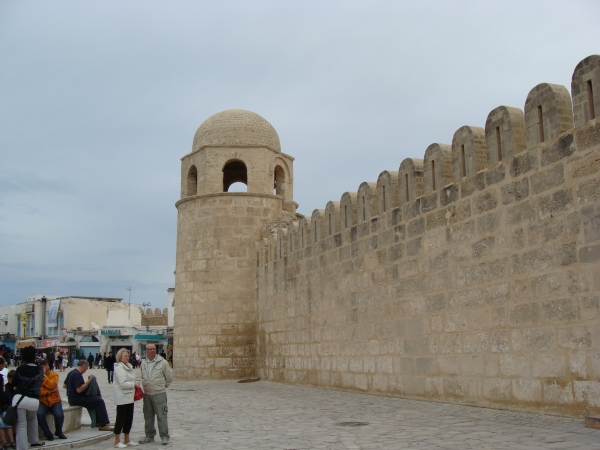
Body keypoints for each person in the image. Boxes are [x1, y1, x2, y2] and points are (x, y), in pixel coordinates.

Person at [64, 360, 113, 431]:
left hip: (71, 398)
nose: (85, 370)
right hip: (77, 399)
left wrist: (72, 388)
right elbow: (79, 389)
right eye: (86, 368)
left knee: (94, 400)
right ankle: (103, 424)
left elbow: (64, 385)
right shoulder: (77, 374)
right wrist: (89, 381)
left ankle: (98, 421)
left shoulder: (71, 373)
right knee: (100, 402)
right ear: (84, 366)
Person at [13, 345, 45, 449]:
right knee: (32, 419)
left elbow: (14, 382)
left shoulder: (19, 369)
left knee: (22, 423)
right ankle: (35, 440)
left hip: (20, 398)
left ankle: (22, 446)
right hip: (34, 400)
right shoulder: (40, 370)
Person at [140, 344, 172, 445]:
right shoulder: (143, 364)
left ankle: (164, 436)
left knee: (161, 415)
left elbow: (169, 378)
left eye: (154, 349)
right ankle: (149, 435)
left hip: (159, 393)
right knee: (148, 416)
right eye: (150, 349)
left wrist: (161, 386)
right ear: (146, 351)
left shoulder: (163, 363)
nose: (152, 351)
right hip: (147, 394)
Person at [113, 349, 140, 448]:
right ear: (120, 357)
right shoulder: (119, 368)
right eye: (125, 356)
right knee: (120, 419)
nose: (127, 357)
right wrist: (134, 384)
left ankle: (127, 439)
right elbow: (123, 383)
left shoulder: (129, 366)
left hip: (129, 396)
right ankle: (117, 441)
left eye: (128, 356)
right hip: (122, 397)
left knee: (129, 418)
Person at [37, 358, 67, 441]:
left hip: (54, 400)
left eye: (44, 364)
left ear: (48, 365)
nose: (43, 366)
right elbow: (39, 391)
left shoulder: (54, 374)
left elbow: (53, 385)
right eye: (41, 365)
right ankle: (48, 433)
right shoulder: (36, 376)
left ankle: (59, 431)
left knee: (59, 415)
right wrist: (49, 391)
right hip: (43, 401)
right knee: (39, 414)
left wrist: (44, 377)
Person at [0, 373, 16, 449]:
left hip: (2, 409)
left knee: (7, 419)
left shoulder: (4, 389)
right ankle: (4, 442)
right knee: (0, 424)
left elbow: (6, 400)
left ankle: (12, 441)